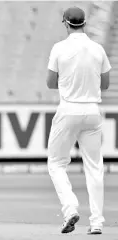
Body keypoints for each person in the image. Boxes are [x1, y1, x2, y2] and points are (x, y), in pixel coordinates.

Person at [46, 7, 111, 235]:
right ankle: (97, 222)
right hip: (92, 110)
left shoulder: (59, 48)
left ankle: (70, 207)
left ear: (65, 23)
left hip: (68, 108)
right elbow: (105, 85)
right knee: (94, 168)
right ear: (84, 23)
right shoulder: (97, 49)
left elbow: (50, 83)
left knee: (56, 163)